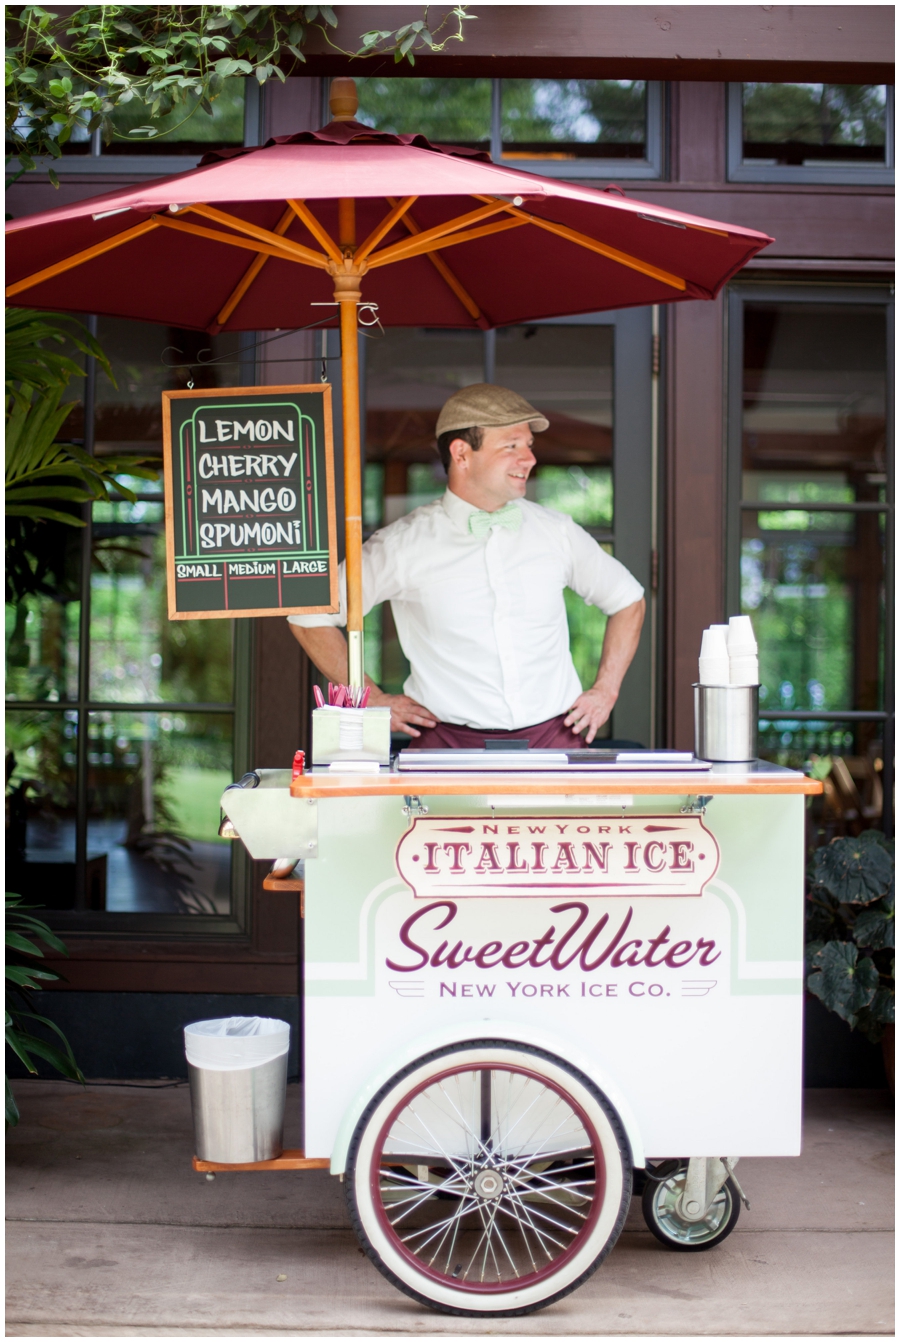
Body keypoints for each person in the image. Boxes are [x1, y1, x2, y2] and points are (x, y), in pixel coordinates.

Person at [288, 384, 645, 747]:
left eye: (529, 446)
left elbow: (628, 600)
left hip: (556, 740)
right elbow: (309, 617)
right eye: (512, 446)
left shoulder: (558, 533)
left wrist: (606, 690)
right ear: (462, 454)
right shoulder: (403, 545)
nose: (530, 459)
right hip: (446, 746)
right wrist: (374, 699)